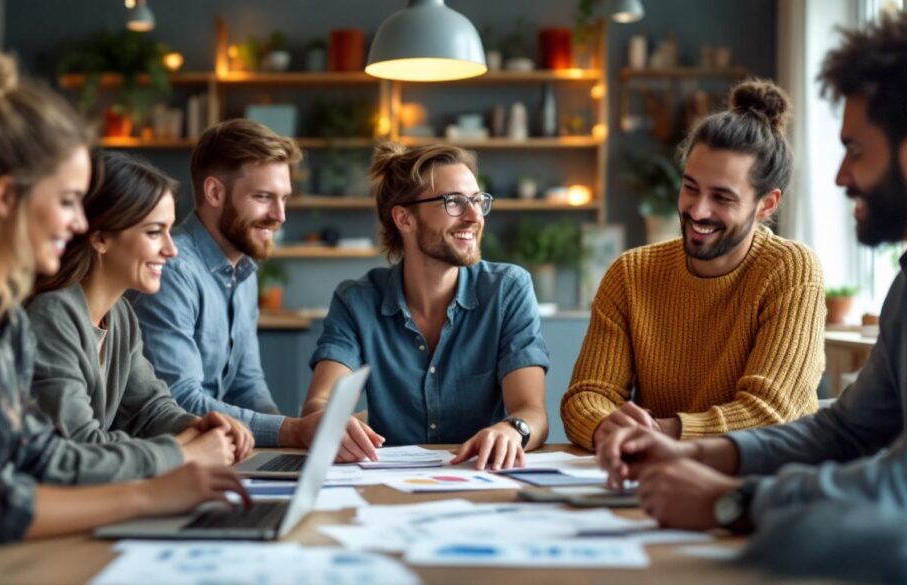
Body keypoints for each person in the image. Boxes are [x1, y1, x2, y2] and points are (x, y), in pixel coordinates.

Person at [0, 45, 247, 578]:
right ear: (5, 198)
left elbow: (40, 455)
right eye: (68, 201)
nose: (80, 223)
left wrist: (183, 449)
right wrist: (151, 491)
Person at [596, 11, 907, 534]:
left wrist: (733, 501)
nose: (840, 175)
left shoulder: (790, 267)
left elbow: (896, 487)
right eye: (691, 187)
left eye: (855, 150)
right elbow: (848, 431)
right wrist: (707, 455)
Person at [561, 79, 826, 452]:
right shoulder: (631, 272)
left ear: (766, 204)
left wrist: (661, 434)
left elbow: (772, 411)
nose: (698, 211)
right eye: (690, 188)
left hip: (762, 481)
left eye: (722, 197)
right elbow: (586, 395)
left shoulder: (790, 269)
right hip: (655, 476)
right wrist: (605, 425)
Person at [297, 142, 551, 471]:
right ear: (404, 218)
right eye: (454, 202)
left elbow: (531, 410)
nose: (474, 217)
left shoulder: (507, 290)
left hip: (480, 479)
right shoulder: (357, 301)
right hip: (385, 484)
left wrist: (511, 430)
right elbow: (318, 404)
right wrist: (329, 422)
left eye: (477, 201)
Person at [27, 152, 253, 481]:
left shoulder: (120, 316)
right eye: (153, 232)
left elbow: (148, 409)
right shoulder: (52, 315)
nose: (171, 249)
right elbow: (79, 447)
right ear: (101, 238)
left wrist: (195, 425)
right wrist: (184, 454)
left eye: (170, 231)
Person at [129, 119, 303, 447]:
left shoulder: (243, 270)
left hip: (221, 450)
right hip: (173, 459)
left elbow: (246, 384)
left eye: (284, 198)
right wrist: (290, 431)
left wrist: (288, 438)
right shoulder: (171, 269)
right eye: (264, 196)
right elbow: (179, 401)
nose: (280, 215)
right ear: (214, 192)